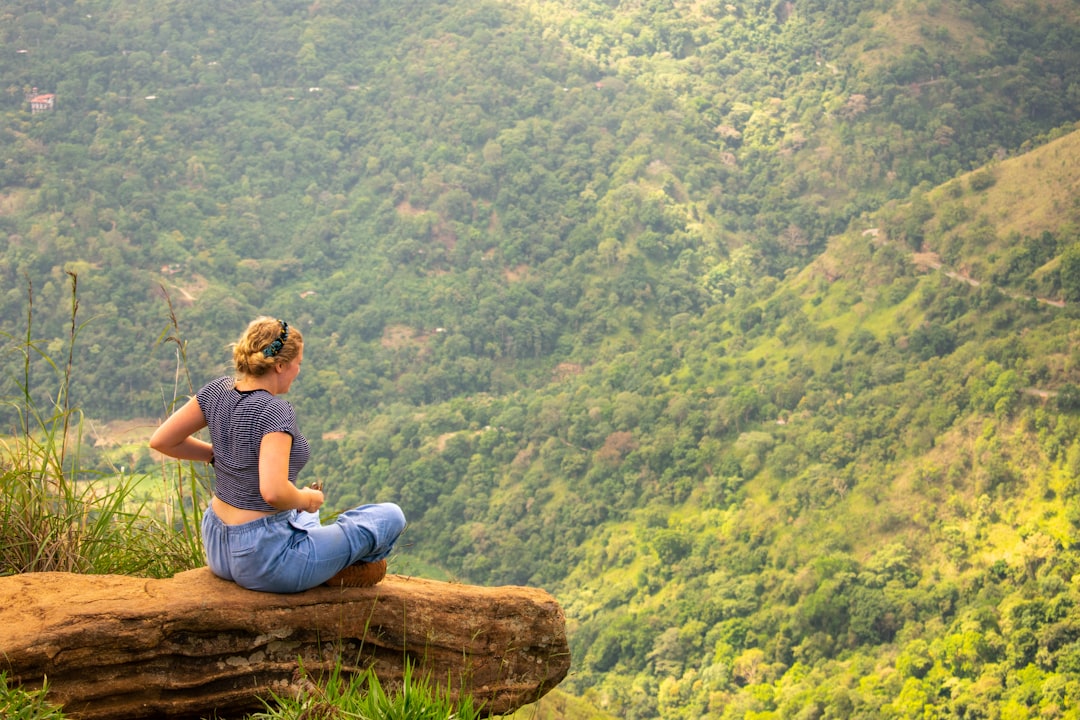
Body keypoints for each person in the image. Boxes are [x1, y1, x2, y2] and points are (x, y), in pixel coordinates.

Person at [150, 316, 406, 593]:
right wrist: (308, 498)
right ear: (281, 365)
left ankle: (319, 553)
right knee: (391, 516)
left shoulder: (217, 390)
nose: (298, 370)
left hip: (217, 544)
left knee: (303, 517)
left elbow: (162, 440)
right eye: (299, 363)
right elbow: (272, 492)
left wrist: (216, 456)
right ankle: (337, 567)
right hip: (265, 559)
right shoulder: (274, 411)